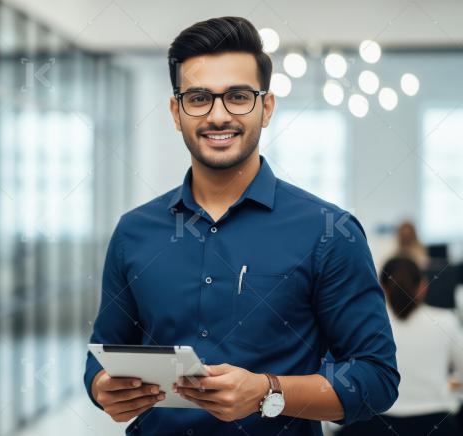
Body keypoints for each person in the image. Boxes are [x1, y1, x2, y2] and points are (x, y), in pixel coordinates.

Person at [83, 16, 399, 435]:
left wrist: (269, 392)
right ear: (177, 112)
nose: (218, 116)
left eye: (237, 96)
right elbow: (102, 356)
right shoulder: (133, 232)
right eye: (198, 98)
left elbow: (376, 378)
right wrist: (103, 387)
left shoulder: (329, 231)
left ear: (266, 108)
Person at [338, 256, 462, 435]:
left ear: (381, 288)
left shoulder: (365, 324)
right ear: (423, 286)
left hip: (377, 426)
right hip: (437, 425)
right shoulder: (446, 321)